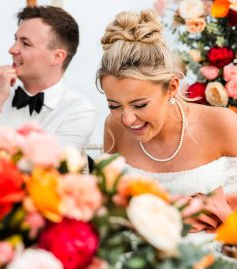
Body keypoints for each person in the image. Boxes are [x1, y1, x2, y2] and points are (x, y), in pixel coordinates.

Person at [97, 9, 237, 196]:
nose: (127, 120)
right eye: (114, 106)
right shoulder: (113, 127)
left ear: (172, 87)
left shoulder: (222, 123)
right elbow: (107, 203)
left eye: (140, 105)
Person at [0, 5, 96, 150]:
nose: (12, 49)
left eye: (25, 43)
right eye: (16, 40)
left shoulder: (78, 111)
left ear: (57, 57)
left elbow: (50, 168)